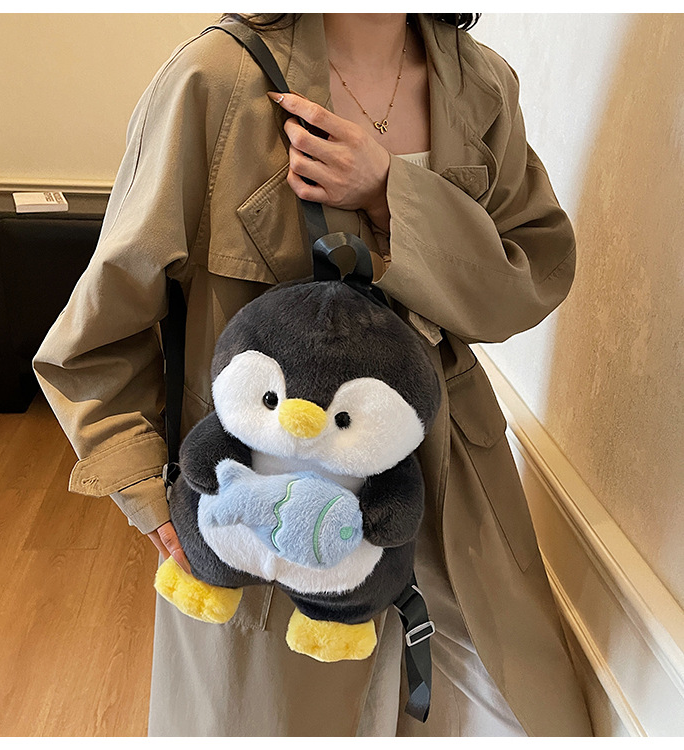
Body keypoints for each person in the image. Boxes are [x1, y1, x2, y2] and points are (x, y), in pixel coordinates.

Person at [33, 13, 594, 737]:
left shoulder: (482, 85)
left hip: (451, 503)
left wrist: (393, 193)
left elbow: (527, 279)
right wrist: (151, 491)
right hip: (275, 517)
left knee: (505, 714)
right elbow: (102, 326)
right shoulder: (215, 82)